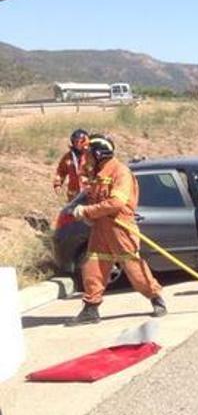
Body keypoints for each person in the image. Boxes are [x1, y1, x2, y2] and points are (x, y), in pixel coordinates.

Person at [67, 134, 165, 326]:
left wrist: (87, 211)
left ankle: (156, 298)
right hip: (101, 229)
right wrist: (89, 216)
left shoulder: (121, 172)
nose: (86, 158)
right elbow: (94, 198)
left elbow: (116, 202)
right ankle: (91, 309)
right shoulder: (98, 174)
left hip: (120, 228)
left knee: (133, 268)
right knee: (92, 266)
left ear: (99, 153)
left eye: (89, 154)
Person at [53, 129, 90, 202]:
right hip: (73, 196)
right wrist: (57, 184)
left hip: (89, 193)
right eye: (75, 141)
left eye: (81, 141)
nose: (78, 144)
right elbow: (61, 171)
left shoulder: (91, 156)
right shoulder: (68, 157)